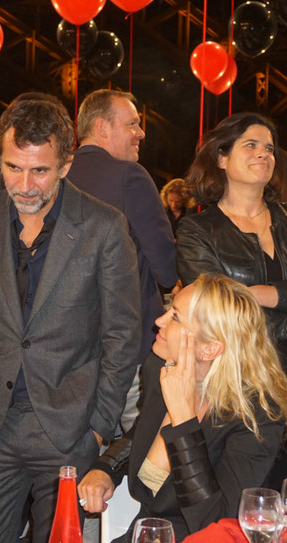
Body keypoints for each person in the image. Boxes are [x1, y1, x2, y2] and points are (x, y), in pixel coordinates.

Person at [0, 97, 141, 543]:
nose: (24, 184)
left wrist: (99, 425)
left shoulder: (104, 226)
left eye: (39, 171)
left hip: (69, 426)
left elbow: (122, 334)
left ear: (66, 164)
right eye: (13, 168)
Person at [177, 112, 287, 486]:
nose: (263, 154)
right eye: (250, 145)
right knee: (243, 498)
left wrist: (258, 295)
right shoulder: (198, 230)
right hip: (237, 384)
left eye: (268, 148)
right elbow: (212, 316)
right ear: (221, 157)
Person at [78, 274, 287, 543]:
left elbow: (214, 522)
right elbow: (140, 434)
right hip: (145, 541)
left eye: (176, 317)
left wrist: (183, 419)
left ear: (210, 348)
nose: (159, 321)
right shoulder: (163, 367)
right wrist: (105, 468)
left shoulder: (257, 416)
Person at [68, 89, 177, 431]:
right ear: (101, 128)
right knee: (133, 455)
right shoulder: (129, 176)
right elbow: (165, 267)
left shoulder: (52, 177)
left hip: (65, 355)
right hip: (126, 350)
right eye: (132, 124)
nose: (141, 133)